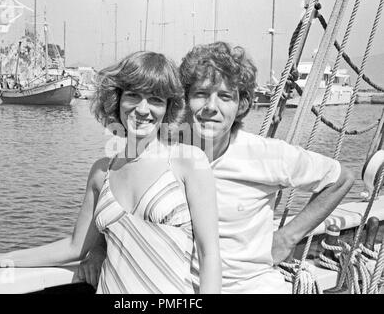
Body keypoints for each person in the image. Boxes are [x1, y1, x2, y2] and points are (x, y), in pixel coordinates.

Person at [79, 42, 355, 294]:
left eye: (225, 96)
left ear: (243, 104)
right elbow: (127, 208)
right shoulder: (161, 153)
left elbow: (340, 178)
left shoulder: (267, 155)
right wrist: (101, 249)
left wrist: (287, 237)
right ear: (184, 100)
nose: (212, 107)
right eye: (200, 94)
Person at [0, 51, 221, 294]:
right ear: (118, 99)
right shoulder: (102, 172)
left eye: (156, 99)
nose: (143, 109)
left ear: (168, 107)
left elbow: (209, 255)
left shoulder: (187, 163)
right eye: (133, 95)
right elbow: (75, 246)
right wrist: (8, 258)